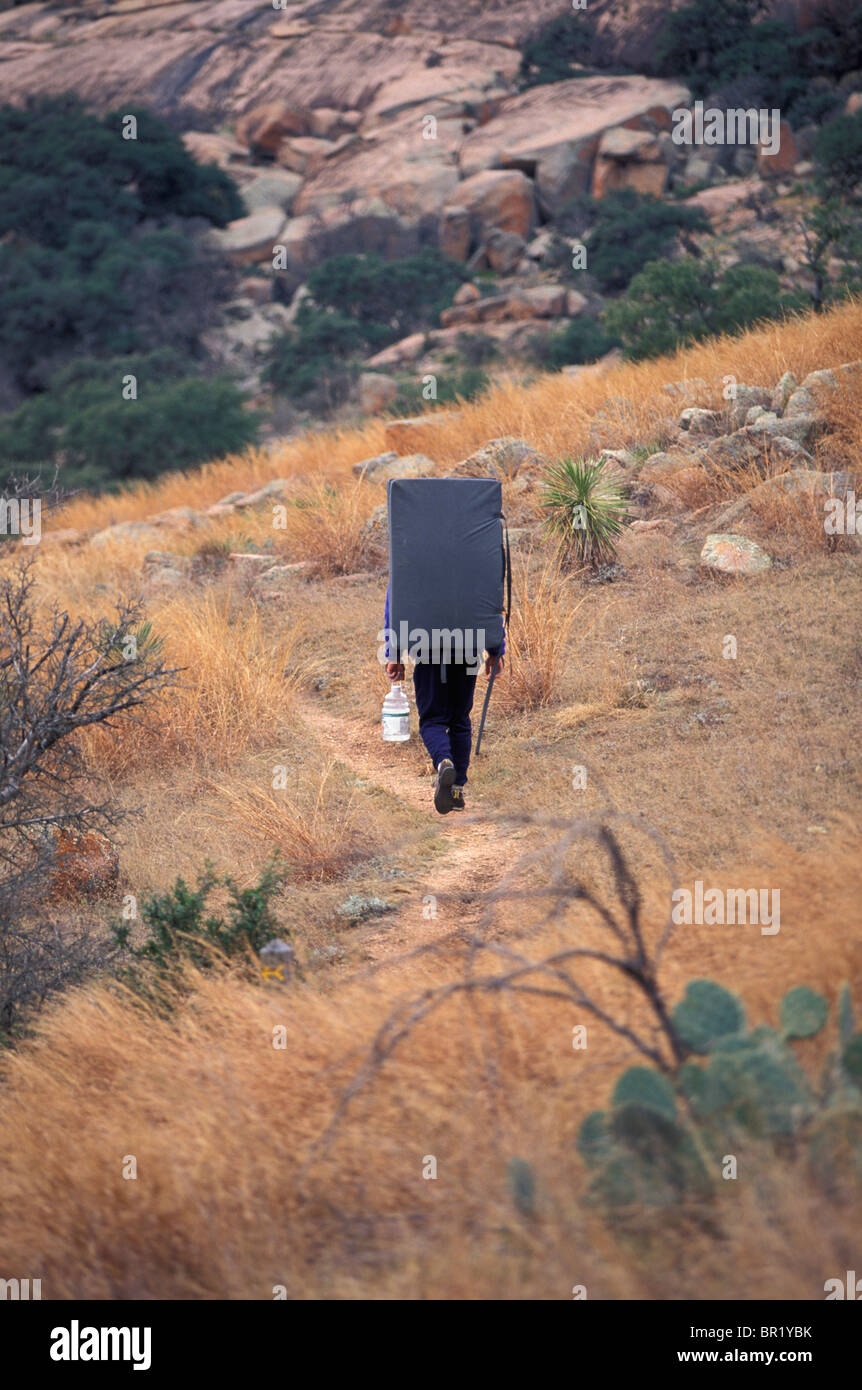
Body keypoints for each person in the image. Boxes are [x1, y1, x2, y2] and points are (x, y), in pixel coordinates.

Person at [383, 584, 505, 815]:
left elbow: (396, 602)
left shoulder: (409, 551)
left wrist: (394, 654)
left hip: (427, 645)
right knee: (460, 720)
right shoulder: (475, 550)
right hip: (468, 644)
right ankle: (457, 789)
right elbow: (489, 598)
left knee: (432, 720)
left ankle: (444, 763)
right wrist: (496, 649)